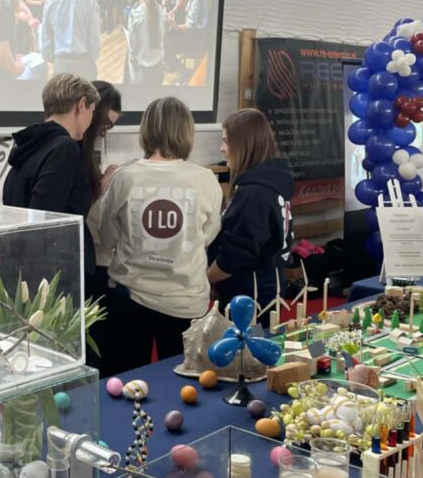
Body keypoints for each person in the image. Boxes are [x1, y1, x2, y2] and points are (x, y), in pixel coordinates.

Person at [97, 97, 222, 375]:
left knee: (126, 381)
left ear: (146, 129)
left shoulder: (124, 177)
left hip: (130, 297)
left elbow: (106, 238)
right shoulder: (205, 179)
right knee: (184, 385)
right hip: (186, 301)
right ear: (187, 131)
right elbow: (208, 235)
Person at [1, 74, 99, 290]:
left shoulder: (30, 146)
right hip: (52, 281)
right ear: (81, 105)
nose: (92, 120)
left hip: (23, 273)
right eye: (92, 111)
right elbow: (47, 221)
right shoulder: (63, 148)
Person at [207, 109, 294, 307]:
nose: (222, 149)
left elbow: (235, 254)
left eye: (226, 141)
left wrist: (207, 280)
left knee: (252, 330)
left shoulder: (255, 192)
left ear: (244, 144)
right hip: (261, 285)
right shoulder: (266, 184)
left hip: (250, 294)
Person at [81, 82, 123, 367]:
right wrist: (103, 185)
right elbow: (76, 207)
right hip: (91, 260)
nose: (106, 132)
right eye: (105, 124)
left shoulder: (86, 149)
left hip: (99, 258)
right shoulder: (72, 150)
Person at [126, 0, 165, 85]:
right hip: (159, 71)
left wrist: (132, 60)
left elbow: (132, 47)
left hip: (142, 75)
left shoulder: (136, 13)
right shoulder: (161, 11)